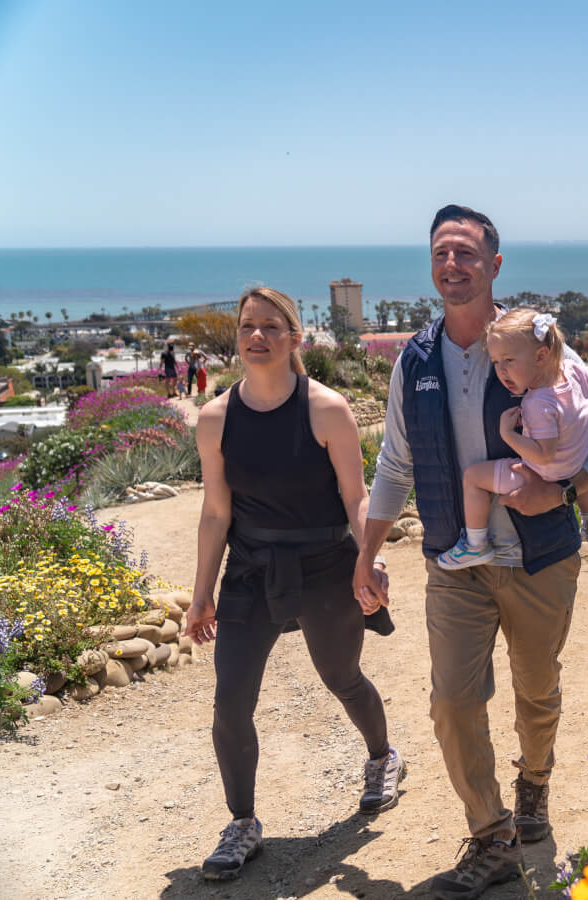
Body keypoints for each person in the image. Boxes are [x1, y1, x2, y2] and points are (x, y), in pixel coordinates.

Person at [352, 205, 588, 899]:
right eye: (442, 253)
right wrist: (367, 554)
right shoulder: (413, 362)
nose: (454, 265)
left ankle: (533, 783)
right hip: (455, 561)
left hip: (540, 559)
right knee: (451, 702)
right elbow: (394, 466)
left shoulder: (542, 351)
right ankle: (492, 835)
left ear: (494, 265)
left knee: (537, 692)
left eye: (468, 254)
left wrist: (567, 488)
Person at [185, 287, 404, 882]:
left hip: (323, 564)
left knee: (341, 677)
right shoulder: (215, 418)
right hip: (251, 570)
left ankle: (383, 758)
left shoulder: (327, 409)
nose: (257, 337)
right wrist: (202, 593)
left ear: (293, 338)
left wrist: (370, 559)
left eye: (271, 327)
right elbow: (215, 513)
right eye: (247, 326)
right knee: (230, 699)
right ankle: (243, 822)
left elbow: (356, 498)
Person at [436, 308, 588, 569]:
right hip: (578, 464)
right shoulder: (572, 372)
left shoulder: (537, 402)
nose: (501, 370)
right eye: (496, 362)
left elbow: (543, 455)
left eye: (508, 360)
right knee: (582, 470)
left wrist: (507, 434)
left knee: (473, 477)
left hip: (544, 474)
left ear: (541, 355)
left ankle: (475, 545)